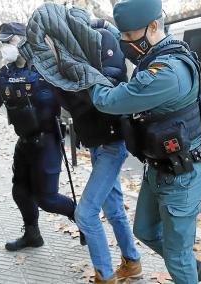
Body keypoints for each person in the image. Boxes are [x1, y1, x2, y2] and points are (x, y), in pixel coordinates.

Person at [89, 0, 201, 283]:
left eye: (129, 36)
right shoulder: (161, 55)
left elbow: (106, 100)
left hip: (182, 176)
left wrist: (88, 73)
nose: (123, 43)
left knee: (177, 256)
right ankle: (188, 264)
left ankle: (185, 267)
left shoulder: (168, 71)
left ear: (153, 26)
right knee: (144, 230)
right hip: (160, 168)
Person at [0, 23, 75, 251]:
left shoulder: (48, 69)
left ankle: (84, 219)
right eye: (1, 42)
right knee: (20, 192)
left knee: (47, 199)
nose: (3, 47)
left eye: (7, 41)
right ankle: (33, 235)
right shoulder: (5, 75)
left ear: (24, 40)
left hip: (48, 142)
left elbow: (75, 99)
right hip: (24, 144)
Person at [54, 12, 141, 283]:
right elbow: (74, 105)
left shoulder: (102, 42)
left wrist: (58, 74)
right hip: (98, 143)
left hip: (112, 143)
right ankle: (133, 262)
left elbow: (95, 97)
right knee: (112, 207)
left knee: (86, 213)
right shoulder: (76, 51)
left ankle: (105, 276)